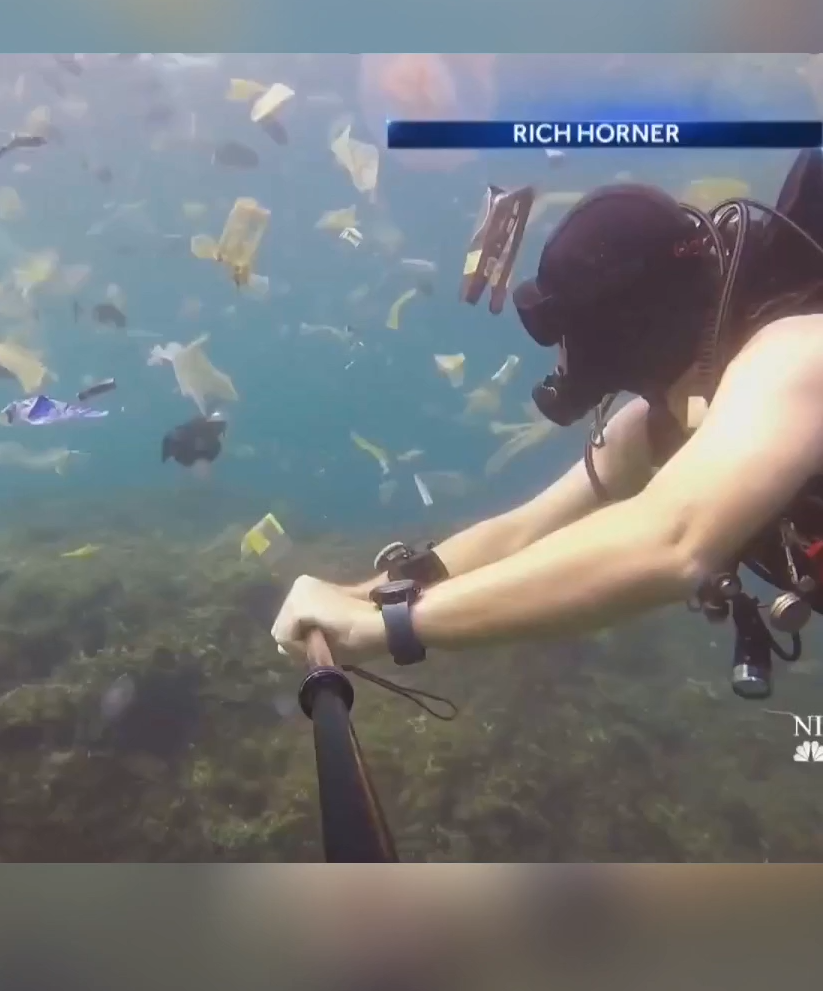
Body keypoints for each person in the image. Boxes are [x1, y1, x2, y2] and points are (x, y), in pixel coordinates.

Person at [271, 149, 823, 668]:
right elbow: (522, 530)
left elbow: (668, 543)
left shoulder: (800, 352)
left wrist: (387, 629)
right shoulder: (667, 419)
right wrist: (364, 598)